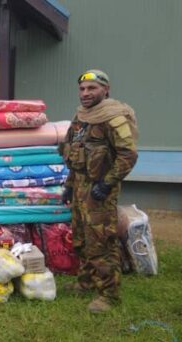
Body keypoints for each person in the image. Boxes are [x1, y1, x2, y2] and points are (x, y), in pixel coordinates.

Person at [58, 69, 138, 314]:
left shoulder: (114, 117)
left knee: (101, 242)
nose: (85, 93)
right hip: (81, 185)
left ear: (106, 89)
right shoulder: (81, 118)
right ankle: (86, 283)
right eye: (82, 89)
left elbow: (128, 155)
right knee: (82, 240)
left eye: (92, 88)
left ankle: (109, 295)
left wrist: (107, 183)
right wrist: (70, 186)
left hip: (99, 190)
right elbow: (75, 153)